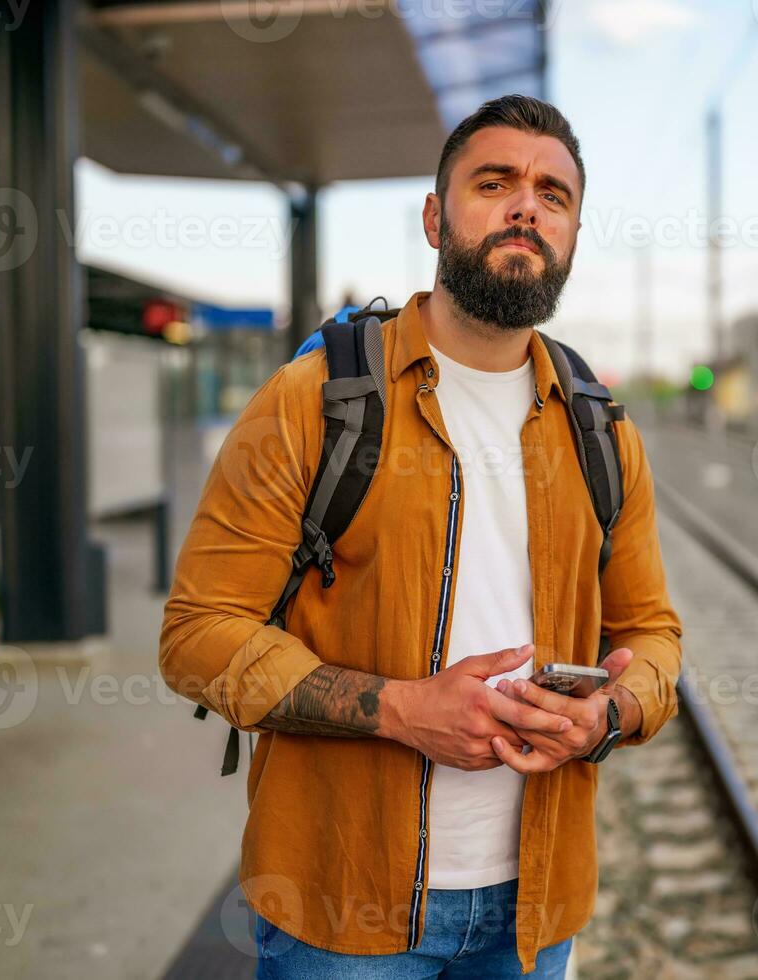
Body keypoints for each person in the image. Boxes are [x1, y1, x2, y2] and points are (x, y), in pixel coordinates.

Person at [159, 94, 683, 978]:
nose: (526, 206)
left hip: (533, 908)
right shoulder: (315, 399)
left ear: (572, 236)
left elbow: (653, 637)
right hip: (341, 906)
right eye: (496, 181)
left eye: (553, 195)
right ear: (436, 218)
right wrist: (404, 711)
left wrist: (607, 714)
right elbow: (197, 637)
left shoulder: (602, 431)